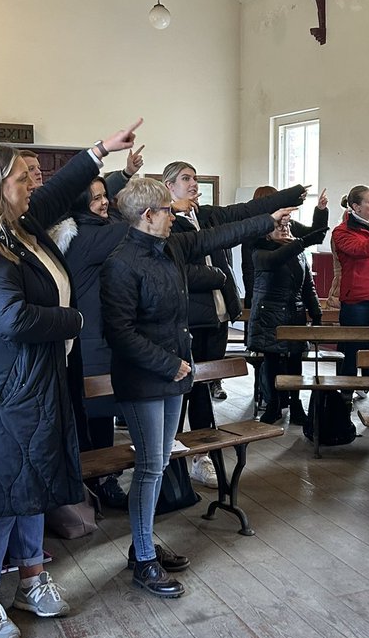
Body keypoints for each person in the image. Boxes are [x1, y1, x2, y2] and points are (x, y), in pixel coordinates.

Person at [0, 125, 141, 638]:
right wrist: (74, 321)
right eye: (21, 177)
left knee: (37, 479)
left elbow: (54, 191)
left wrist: (99, 152)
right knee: (1, 492)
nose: (34, 183)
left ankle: (31, 577)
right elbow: (10, 318)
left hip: (35, 379)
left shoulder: (15, 223)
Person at [100, 178, 287, 597]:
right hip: (145, 379)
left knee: (160, 461)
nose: (175, 214)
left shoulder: (170, 246)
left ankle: (142, 547)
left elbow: (219, 233)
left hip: (171, 375)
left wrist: (266, 219)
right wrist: (170, 364)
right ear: (147, 216)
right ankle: (144, 558)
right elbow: (119, 332)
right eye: (167, 210)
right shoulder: (121, 263)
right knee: (149, 468)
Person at [158, 162, 309, 487]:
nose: (194, 184)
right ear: (168, 187)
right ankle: (170, 462)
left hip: (217, 315)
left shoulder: (207, 216)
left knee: (202, 390)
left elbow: (245, 210)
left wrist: (288, 196)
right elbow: (176, 269)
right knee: (181, 392)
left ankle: (202, 457)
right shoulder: (164, 222)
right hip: (189, 318)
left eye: (196, 178)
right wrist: (216, 276)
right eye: (186, 179)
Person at [51, 174, 133, 509]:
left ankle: (99, 483)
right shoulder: (86, 236)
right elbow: (131, 227)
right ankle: (100, 484)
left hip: (95, 338)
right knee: (95, 418)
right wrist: (157, 206)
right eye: (96, 198)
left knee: (97, 418)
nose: (104, 202)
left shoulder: (85, 230)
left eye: (105, 195)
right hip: (90, 340)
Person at [248, 216, 328, 425]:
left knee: (295, 361)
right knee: (272, 361)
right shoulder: (261, 251)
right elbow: (274, 260)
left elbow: (308, 285)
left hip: (294, 313)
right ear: (267, 231)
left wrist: (316, 312)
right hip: (269, 314)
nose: (284, 229)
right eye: (278, 227)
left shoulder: (298, 252)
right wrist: (299, 243)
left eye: (286, 226)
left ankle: (295, 404)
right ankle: (273, 403)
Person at [331, 185, 369, 405]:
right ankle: (344, 397)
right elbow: (361, 250)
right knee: (351, 352)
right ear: (355, 207)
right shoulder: (342, 232)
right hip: (356, 303)